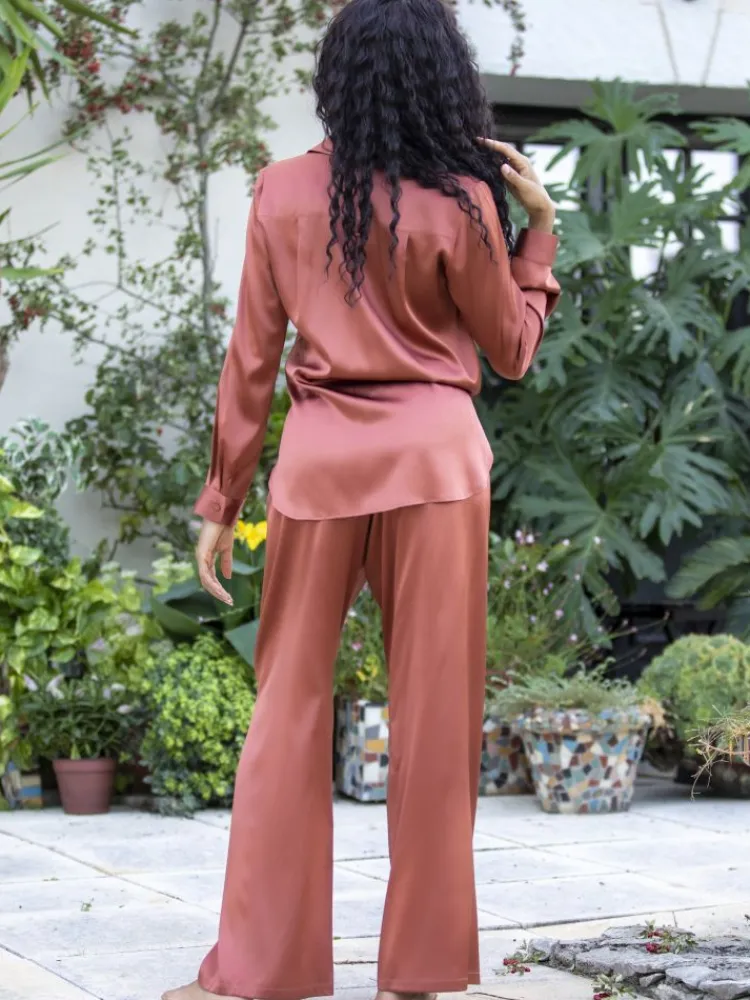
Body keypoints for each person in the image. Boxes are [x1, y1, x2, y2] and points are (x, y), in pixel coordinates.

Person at [163, 0, 559, 998]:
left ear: (335, 78)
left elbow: (251, 358)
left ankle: (258, 970)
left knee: (288, 707)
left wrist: (221, 499)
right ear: (441, 76)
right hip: (437, 468)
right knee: (434, 716)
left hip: (321, 467)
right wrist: (540, 233)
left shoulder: (283, 191)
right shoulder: (462, 200)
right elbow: (512, 350)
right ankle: (418, 970)